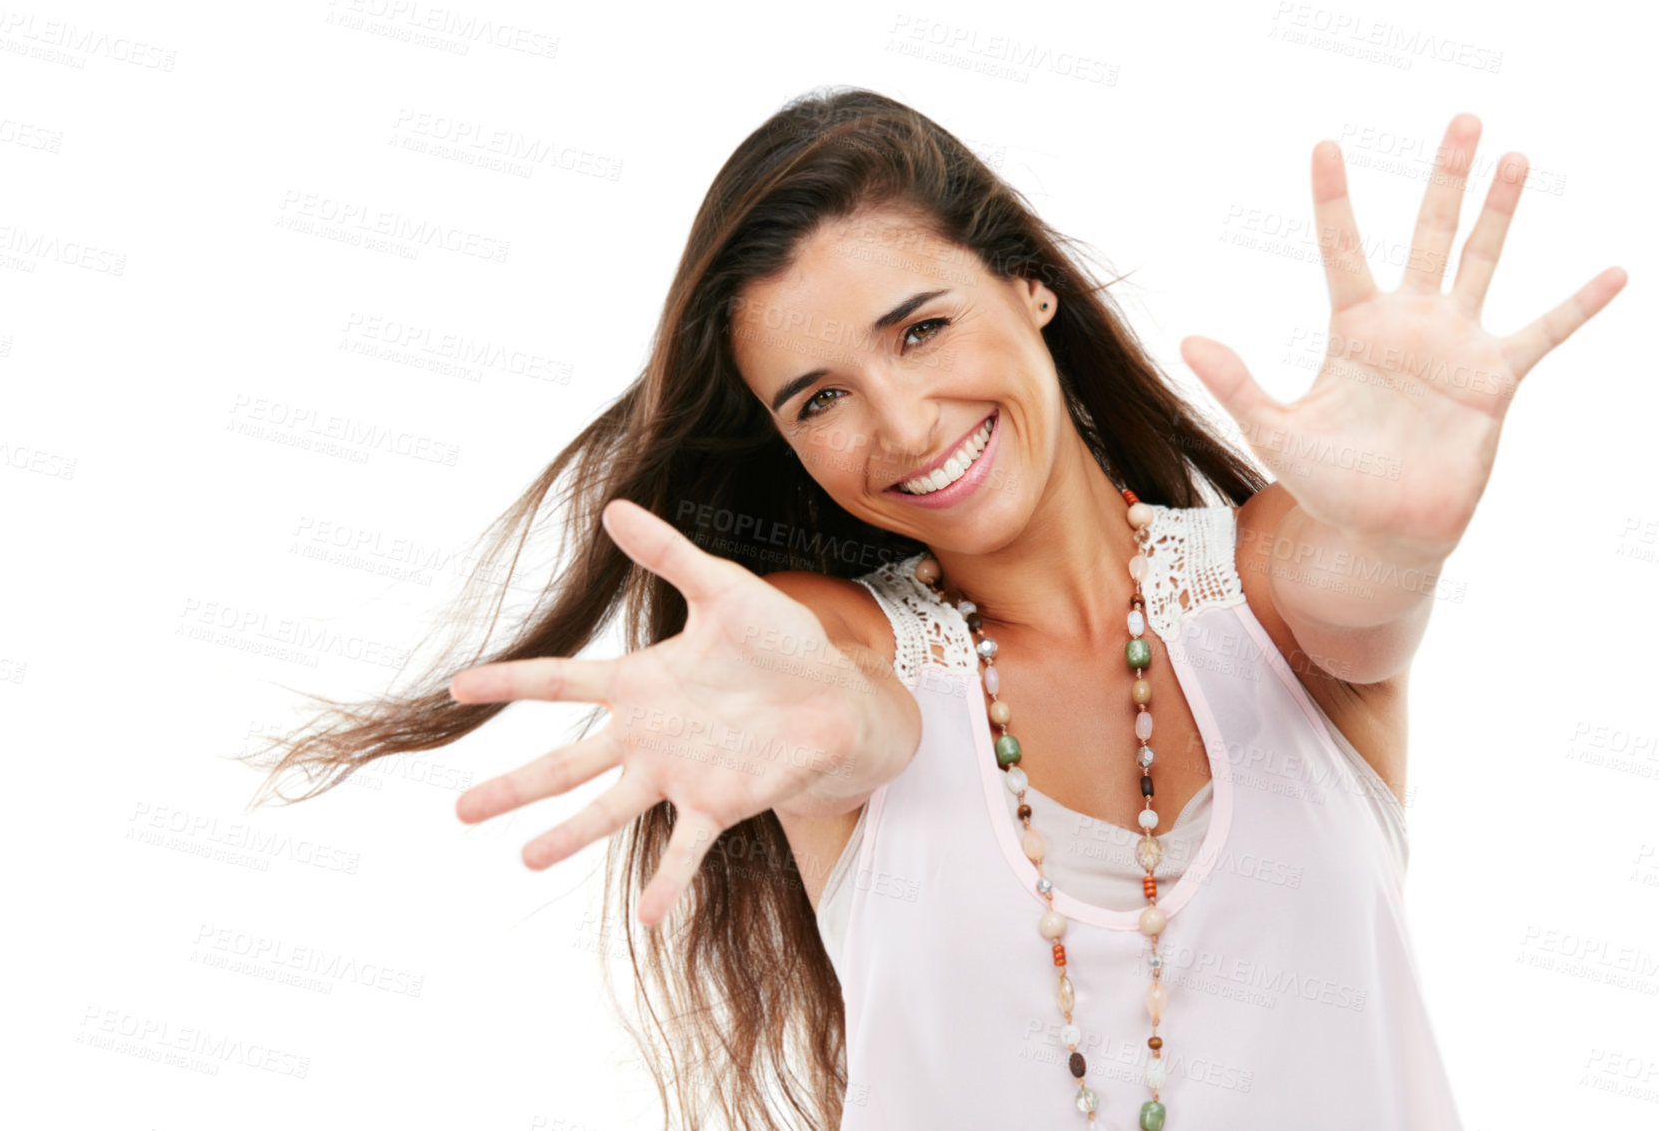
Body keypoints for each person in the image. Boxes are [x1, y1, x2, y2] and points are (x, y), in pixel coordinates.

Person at [241, 88, 1625, 1130]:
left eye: (920, 328)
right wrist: (812, 704)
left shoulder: (1266, 584)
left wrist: (1396, 525)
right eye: (818, 398)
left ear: (1026, 283)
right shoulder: (837, 645)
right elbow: (850, 707)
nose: (902, 422)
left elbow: (1355, 588)